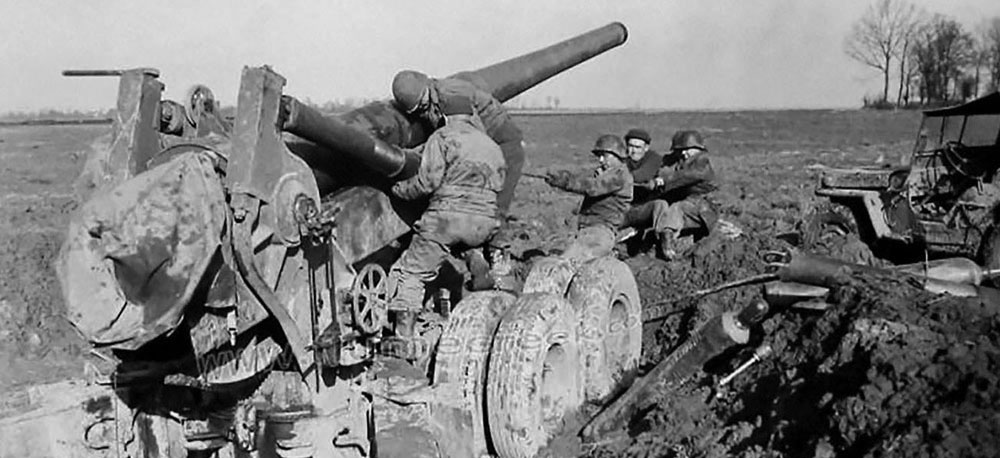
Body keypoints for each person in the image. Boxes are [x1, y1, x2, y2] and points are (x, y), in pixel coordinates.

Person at [387, 95, 506, 339]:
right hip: (485, 222)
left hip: (448, 219)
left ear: (444, 117)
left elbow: (427, 182)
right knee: (462, 241)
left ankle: (403, 338)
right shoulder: (491, 145)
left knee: (410, 272)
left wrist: (398, 190)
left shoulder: (442, 137)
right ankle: (477, 264)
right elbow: (500, 183)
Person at [391, 70, 524, 218]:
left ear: (426, 87)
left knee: (490, 202)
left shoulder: (452, 95)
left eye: (422, 103)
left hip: (501, 139)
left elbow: (470, 139)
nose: (421, 110)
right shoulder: (428, 100)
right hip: (479, 136)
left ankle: (493, 234)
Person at [545, 134, 633, 263]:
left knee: (566, 263)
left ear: (618, 156)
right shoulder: (605, 174)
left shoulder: (620, 176)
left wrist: (565, 181)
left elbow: (592, 187)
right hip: (587, 231)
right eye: (599, 156)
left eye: (605, 156)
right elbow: (585, 180)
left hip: (600, 233)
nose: (601, 160)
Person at [645, 130, 720, 260]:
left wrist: (666, 180)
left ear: (698, 148)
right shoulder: (684, 161)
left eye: (688, 149)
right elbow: (668, 168)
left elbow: (688, 175)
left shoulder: (702, 162)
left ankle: (668, 241)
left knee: (677, 209)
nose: (684, 153)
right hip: (692, 204)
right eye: (681, 150)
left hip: (704, 206)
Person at [619, 128, 667, 241]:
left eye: (638, 147)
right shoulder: (623, 160)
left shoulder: (654, 159)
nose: (633, 151)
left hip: (645, 206)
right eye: (631, 146)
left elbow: (642, 175)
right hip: (625, 207)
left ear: (646, 148)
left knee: (660, 205)